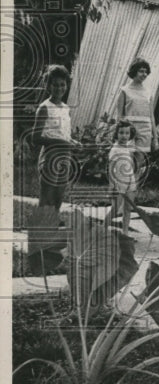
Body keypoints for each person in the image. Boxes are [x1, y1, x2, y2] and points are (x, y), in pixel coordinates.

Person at [31, 65, 80, 253]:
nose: (59, 88)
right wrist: (61, 142)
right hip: (50, 155)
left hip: (64, 157)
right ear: (48, 86)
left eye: (63, 84)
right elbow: (36, 138)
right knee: (47, 198)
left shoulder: (66, 108)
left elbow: (64, 134)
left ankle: (49, 240)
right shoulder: (44, 108)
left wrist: (73, 142)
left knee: (58, 198)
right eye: (55, 85)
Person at [112, 58, 159, 183]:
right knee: (126, 160)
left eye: (145, 72)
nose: (144, 74)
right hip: (129, 131)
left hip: (145, 130)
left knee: (139, 162)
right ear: (134, 72)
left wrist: (155, 138)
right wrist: (119, 135)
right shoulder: (124, 91)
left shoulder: (148, 92)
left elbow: (151, 116)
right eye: (141, 71)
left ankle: (133, 188)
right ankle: (123, 185)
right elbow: (119, 116)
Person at [108, 119, 139, 233]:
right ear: (116, 134)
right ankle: (101, 230)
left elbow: (130, 165)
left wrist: (133, 181)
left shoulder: (128, 148)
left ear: (130, 135)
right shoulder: (114, 149)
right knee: (115, 209)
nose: (124, 136)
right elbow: (111, 168)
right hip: (119, 181)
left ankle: (125, 232)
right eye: (121, 133)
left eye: (127, 133)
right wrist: (112, 185)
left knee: (128, 208)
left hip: (130, 181)